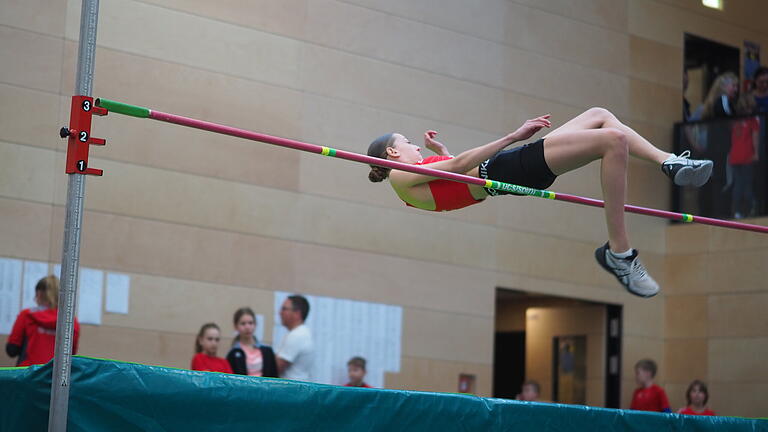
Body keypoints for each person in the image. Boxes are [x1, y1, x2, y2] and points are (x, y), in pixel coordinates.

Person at [366, 108, 713, 298]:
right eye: (408, 142)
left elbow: (456, 179)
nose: (415, 146)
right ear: (393, 153)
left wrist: (440, 153)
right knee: (613, 141)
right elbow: (460, 170)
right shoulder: (399, 176)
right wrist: (513, 136)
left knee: (600, 115)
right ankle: (619, 252)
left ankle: (670, 161)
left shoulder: (412, 181)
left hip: (506, 169)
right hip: (507, 169)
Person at [5, 275, 80, 366]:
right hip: (56, 376)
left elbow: (12, 350)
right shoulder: (70, 320)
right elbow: (71, 353)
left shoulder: (27, 315)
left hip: (29, 373)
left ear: (39, 293)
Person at [226, 307, 277, 377]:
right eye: (243, 324)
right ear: (236, 326)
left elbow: (274, 376)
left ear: (255, 325)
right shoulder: (233, 353)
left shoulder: (267, 351)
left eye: (250, 323)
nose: (247, 327)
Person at [276, 295, 314, 381]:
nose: (280, 313)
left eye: (284, 309)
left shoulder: (297, 335)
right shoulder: (301, 333)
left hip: (292, 389)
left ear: (297, 313)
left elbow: (276, 367)